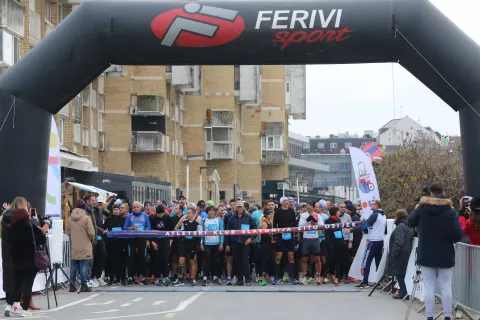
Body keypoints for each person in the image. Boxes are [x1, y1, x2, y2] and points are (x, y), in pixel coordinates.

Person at [408, 184, 463, 320]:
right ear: (442, 192)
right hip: (445, 253)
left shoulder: (421, 209)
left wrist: (416, 209)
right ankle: (447, 317)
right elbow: (458, 235)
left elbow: (410, 223)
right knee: (446, 287)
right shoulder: (450, 211)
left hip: (426, 252)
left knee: (429, 287)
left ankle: (430, 316)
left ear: (431, 194)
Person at [7, 208, 46, 317]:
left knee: (16, 285)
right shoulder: (31, 228)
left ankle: (9, 306)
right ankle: (25, 310)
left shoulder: (11, 229)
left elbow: (8, 244)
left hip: (16, 260)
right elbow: (42, 240)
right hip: (30, 260)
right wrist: (36, 224)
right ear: (26, 217)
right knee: (27, 286)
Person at [345, 200, 386, 289]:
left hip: (374, 240)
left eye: (373, 204)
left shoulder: (375, 215)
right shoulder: (383, 215)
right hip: (380, 240)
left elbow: (364, 225)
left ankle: (365, 282)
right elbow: (384, 230)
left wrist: (350, 230)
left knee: (367, 261)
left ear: (378, 205)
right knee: (378, 261)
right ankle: (379, 282)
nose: (370, 205)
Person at [67, 199, 96, 292]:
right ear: (85, 207)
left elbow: (67, 232)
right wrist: (91, 240)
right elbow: (91, 232)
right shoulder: (87, 218)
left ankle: (72, 286)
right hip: (85, 244)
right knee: (84, 265)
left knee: (74, 265)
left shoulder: (70, 218)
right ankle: (84, 285)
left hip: (75, 244)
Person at [225, 201, 256, 286]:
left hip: (245, 243)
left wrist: (250, 238)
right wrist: (227, 244)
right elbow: (227, 231)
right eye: (238, 207)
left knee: (245, 261)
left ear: (244, 208)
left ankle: (247, 279)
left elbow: (254, 229)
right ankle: (240, 279)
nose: (239, 209)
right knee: (237, 262)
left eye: (241, 207)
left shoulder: (249, 218)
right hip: (235, 243)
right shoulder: (231, 218)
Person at [387, 209, 414, 299]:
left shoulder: (400, 227)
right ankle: (405, 292)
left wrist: (393, 254)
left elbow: (398, 242)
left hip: (400, 253)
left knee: (399, 274)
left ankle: (402, 292)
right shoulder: (409, 226)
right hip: (407, 252)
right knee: (403, 273)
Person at [123, 201, 151, 286]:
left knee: (142, 257)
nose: (136, 209)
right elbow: (124, 228)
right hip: (132, 239)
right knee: (131, 258)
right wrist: (131, 228)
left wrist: (145, 231)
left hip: (142, 239)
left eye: (137, 207)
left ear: (140, 208)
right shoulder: (129, 216)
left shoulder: (145, 216)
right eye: (134, 207)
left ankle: (142, 276)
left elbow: (149, 227)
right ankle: (131, 277)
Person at [173, 207, 203, 287]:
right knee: (181, 260)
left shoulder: (198, 224)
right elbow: (182, 232)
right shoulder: (184, 222)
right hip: (184, 244)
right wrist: (179, 233)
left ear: (193, 214)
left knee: (192, 262)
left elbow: (199, 236)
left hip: (193, 245)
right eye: (187, 213)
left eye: (189, 213)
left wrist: (199, 244)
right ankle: (180, 279)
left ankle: (192, 279)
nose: (187, 215)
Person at [272, 197, 298, 285]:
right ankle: (276, 277)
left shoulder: (291, 211)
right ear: (281, 202)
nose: (286, 202)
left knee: (291, 257)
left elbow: (294, 223)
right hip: (280, 236)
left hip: (290, 237)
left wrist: (293, 232)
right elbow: (275, 224)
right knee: (278, 257)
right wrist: (275, 235)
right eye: (284, 201)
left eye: (287, 200)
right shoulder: (278, 212)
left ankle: (292, 278)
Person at [298, 201, 324, 285]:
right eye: (307, 205)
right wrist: (307, 221)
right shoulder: (303, 215)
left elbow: (322, 226)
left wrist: (314, 221)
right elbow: (300, 226)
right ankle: (304, 277)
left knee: (317, 258)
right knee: (304, 258)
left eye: (309, 205)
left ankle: (318, 276)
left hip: (315, 238)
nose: (308, 206)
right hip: (306, 238)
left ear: (313, 207)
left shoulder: (318, 215)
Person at [148, 205, 174, 286]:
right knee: (157, 259)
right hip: (156, 240)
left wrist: (170, 240)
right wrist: (152, 241)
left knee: (165, 258)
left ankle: (166, 276)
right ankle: (158, 277)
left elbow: (171, 230)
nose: (160, 215)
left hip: (165, 239)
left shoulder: (168, 218)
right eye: (158, 214)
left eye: (161, 214)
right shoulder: (152, 218)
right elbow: (150, 230)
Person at [103, 204, 127, 286]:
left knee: (122, 262)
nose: (116, 211)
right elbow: (104, 230)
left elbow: (126, 230)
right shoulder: (108, 220)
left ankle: (122, 279)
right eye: (115, 209)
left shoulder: (123, 219)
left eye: (118, 209)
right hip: (111, 244)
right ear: (112, 210)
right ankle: (111, 278)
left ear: (120, 210)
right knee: (111, 262)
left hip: (121, 243)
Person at [200, 205, 224, 286]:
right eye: (209, 210)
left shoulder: (218, 220)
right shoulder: (204, 220)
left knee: (215, 260)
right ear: (207, 212)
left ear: (215, 212)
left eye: (213, 210)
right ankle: (205, 277)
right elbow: (201, 233)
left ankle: (215, 277)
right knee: (207, 260)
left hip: (216, 243)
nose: (211, 212)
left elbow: (221, 232)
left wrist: (221, 243)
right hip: (207, 243)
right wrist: (201, 243)